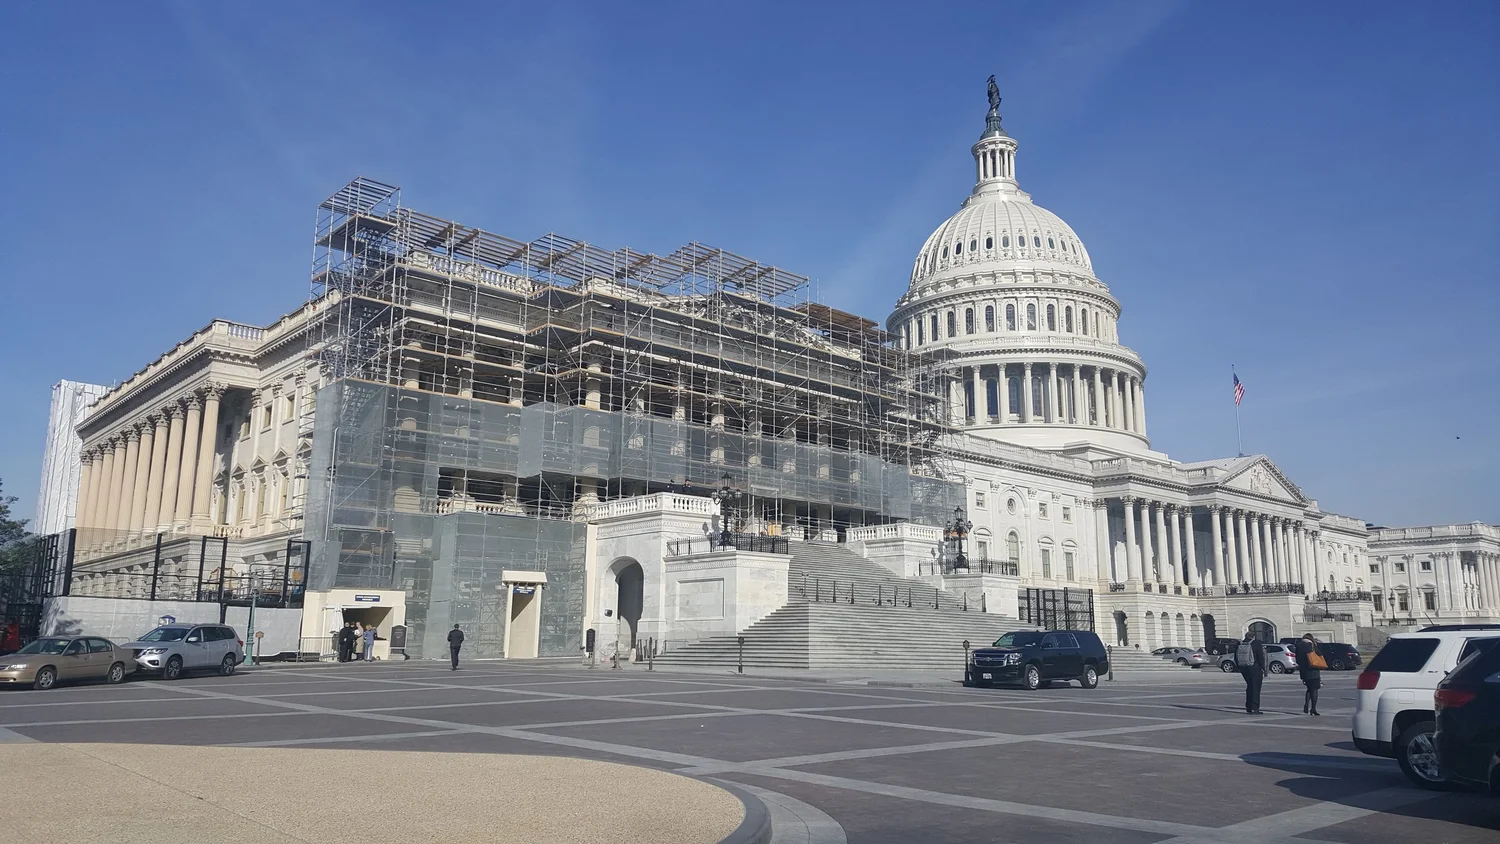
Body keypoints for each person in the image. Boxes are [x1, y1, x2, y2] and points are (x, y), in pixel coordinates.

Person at [1235, 631, 1267, 714]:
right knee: (1256, 688)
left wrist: (1239, 667)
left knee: (1249, 686)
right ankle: (1255, 708)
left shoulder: (1241, 643)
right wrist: (1262, 667)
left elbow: (1236, 656)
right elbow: (1260, 656)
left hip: (1244, 668)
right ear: (1253, 637)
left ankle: (1248, 706)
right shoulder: (1256, 643)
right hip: (1254, 667)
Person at [1295, 633, 1323, 715]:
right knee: (1314, 689)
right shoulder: (1312, 645)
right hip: (1313, 669)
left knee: (1309, 688)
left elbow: (1297, 660)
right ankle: (1313, 709)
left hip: (1304, 671)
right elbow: (1320, 654)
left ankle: (1306, 705)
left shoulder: (1299, 646)